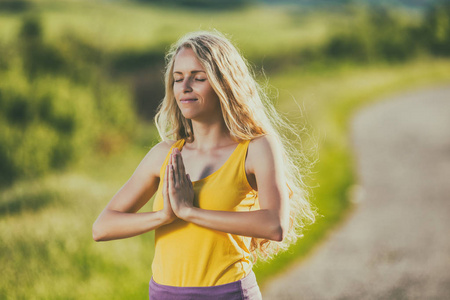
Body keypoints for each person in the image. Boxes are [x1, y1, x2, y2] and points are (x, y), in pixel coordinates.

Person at [92, 30, 315, 300]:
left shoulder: (256, 148)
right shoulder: (163, 154)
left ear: (225, 84)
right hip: (163, 294)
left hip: (229, 293)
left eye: (198, 78)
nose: (184, 87)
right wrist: (163, 217)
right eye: (178, 79)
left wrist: (190, 212)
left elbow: (274, 225)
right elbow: (102, 227)